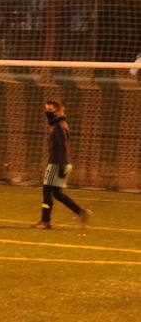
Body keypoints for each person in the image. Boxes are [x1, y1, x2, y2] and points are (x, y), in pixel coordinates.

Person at [34, 98, 91, 230]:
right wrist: (49, 112)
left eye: (50, 110)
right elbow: (51, 121)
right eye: (46, 110)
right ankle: (81, 212)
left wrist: (60, 165)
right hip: (60, 162)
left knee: (47, 191)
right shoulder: (57, 123)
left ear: (58, 111)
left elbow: (63, 146)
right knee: (57, 193)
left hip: (57, 163)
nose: (47, 112)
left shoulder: (59, 125)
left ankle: (45, 221)